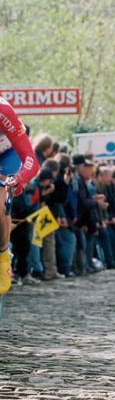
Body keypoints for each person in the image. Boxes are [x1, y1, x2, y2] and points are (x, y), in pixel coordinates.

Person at [0, 97, 39, 295]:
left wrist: (19, 178)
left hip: (7, 153)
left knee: (0, 200)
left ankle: (3, 255)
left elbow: (31, 160)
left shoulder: (3, 110)